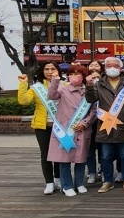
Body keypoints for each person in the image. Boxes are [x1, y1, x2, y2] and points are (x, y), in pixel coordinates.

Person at [84, 57, 124, 193]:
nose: (112, 68)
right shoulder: (98, 84)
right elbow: (91, 99)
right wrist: (89, 86)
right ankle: (108, 181)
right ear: (104, 68)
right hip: (105, 125)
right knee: (105, 156)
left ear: (120, 69)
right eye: (109, 65)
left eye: (115, 66)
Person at [47, 65, 96, 196]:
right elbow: (51, 95)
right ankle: (67, 186)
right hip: (65, 130)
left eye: (78, 74)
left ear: (84, 76)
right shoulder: (63, 90)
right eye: (72, 74)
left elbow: (93, 110)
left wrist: (85, 123)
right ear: (67, 76)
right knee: (64, 160)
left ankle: (79, 183)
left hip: (82, 130)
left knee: (81, 159)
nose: (75, 76)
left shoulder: (89, 91)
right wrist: (55, 79)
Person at [18, 61, 62, 195]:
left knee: (60, 154)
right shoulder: (36, 87)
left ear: (58, 70)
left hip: (60, 126)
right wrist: (23, 84)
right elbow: (23, 101)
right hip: (42, 126)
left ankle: (58, 179)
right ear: (42, 71)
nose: (49, 72)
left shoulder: (64, 85)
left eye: (52, 69)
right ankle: (49, 182)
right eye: (46, 69)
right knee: (46, 155)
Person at [85, 62, 103, 184]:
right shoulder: (85, 89)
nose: (95, 79)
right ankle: (91, 172)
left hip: (102, 123)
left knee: (103, 150)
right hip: (89, 124)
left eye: (98, 77)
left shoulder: (105, 89)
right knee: (89, 151)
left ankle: (102, 170)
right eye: (93, 78)